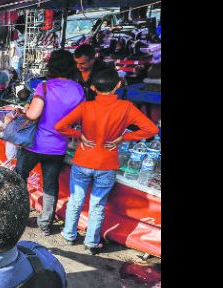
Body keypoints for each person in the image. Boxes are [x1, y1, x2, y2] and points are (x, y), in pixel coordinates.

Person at [54, 68, 158, 253]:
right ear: (118, 85)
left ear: (93, 88)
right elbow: (151, 129)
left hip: (83, 161)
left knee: (76, 199)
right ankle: (91, 243)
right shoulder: (126, 107)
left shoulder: (86, 107)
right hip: (107, 164)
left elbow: (60, 126)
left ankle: (69, 235)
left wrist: (79, 135)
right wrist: (122, 138)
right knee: (97, 204)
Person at [15, 49, 85, 237]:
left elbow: (33, 115)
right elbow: (79, 120)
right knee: (50, 185)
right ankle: (45, 224)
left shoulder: (44, 87)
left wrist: (27, 108)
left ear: (52, 67)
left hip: (34, 144)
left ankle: (18, 216)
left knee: (20, 177)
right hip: (58, 147)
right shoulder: (78, 90)